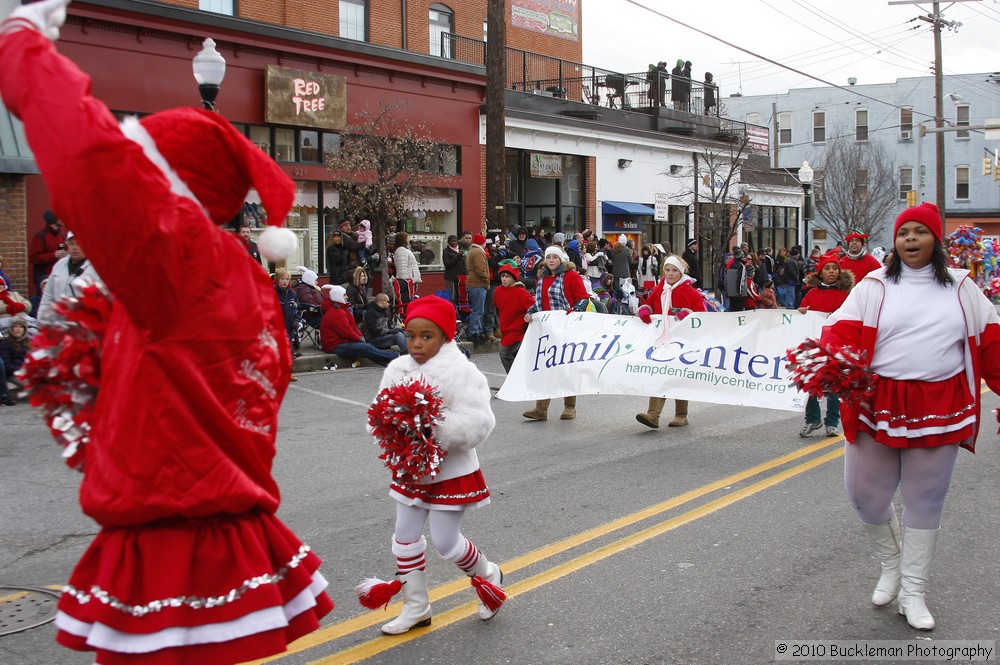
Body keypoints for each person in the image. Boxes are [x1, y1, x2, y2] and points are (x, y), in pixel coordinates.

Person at [0, 2, 334, 661]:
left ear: (163, 187)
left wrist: (22, 47)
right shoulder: (228, 273)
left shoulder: (176, 263)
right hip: (205, 518)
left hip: (175, 534)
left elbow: (88, 155)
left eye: (143, 166)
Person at [818, 202, 1000, 630]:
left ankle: (913, 591)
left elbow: (992, 344)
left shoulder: (961, 288)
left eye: (921, 232)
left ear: (935, 240)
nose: (911, 239)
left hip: (939, 404)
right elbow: (838, 332)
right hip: (875, 402)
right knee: (866, 496)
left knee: (924, 501)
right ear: (896, 241)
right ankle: (892, 566)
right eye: (904, 233)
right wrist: (825, 365)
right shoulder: (873, 285)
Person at [357, 296, 506, 634]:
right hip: (410, 469)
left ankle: (487, 574)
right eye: (410, 335)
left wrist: (432, 427)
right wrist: (390, 424)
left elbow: (480, 422)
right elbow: (377, 414)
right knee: (404, 538)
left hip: (451, 471)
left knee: (446, 544)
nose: (417, 343)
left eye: (427, 336)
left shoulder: (463, 373)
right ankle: (416, 607)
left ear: (446, 336)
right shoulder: (398, 368)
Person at [635, 255, 706, 428]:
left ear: (680, 273)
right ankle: (653, 415)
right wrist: (645, 310)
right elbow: (649, 304)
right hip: (661, 339)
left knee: (678, 375)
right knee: (660, 373)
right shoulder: (659, 289)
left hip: (682, 340)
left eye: (674, 271)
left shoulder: (689, 292)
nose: (670, 274)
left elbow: (701, 313)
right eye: (667, 270)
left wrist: (687, 314)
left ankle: (681, 414)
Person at [522, 246, 589, 421]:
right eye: (549, 257)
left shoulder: (571, 276)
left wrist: (576, 310)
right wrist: (530, 313)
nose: (551, 260)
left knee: (566, 368)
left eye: (555, 257)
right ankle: (541, 409)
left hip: (567, 328)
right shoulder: (542, 279)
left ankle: (570, 407)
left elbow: (583, 298)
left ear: (561, 259)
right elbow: (539, 303)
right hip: (548, 329)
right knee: (545, 368)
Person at [796, 252, 854, 438]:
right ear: (820, 273)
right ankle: (812, 419)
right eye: (827, 268)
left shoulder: (846, 295)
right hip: (815, 345)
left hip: (836, 345)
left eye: (834, 268)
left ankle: (832, 421)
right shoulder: (811, 293)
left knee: (835, 385)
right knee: (812, 383)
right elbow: (804, 312)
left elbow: (852, 315)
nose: (831, 272)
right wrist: (802, 311)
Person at [320, 285, 398, 367]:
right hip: (334, 345)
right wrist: (359, 339)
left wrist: (360, 337)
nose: (347, 297)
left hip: (341, 342)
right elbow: (347, 332)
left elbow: (353, 327)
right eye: (344, 295)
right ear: (338, 297)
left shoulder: (343, 310)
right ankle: (394, 357)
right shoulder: (336, 313)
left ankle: (388, 363)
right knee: (366, 348)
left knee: (367, 348)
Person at [35, 231, 99, 324]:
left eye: (79, 244)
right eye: (72, 244)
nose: (75, 248)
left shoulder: (95, 268)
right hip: (59, 324)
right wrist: (42, 320)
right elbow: (48, 297)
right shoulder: (60, 265)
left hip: (84, 325)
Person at [492, 264, 535, 373]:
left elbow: (533, 306)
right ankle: (522, 379)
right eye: (502, 276)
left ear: (513, 278)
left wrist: (529, 315)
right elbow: (498, 307)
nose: (504, 279)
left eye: (507, 276)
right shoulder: (498, 291)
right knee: (516, 357)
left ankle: (513, 379)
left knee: (505, 353)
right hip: (505, 329)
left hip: (517, 330)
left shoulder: (521, 293)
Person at [29, 208, 66, 292]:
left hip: (60, 277)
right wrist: (54, 255)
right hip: (45, 279)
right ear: (54, 219)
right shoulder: (41, 236)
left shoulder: (60, 236)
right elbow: (34, 258)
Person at [465, 233, 490, 343]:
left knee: (478, 310)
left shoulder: (472, 251)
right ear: (482, 243)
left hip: (474, 284)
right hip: (478, 284)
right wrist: (486, 279)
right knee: (478, 310)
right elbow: (480, 269)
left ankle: (477, 331)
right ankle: (474, 332)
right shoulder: (479, 252)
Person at [0, 316, 30, 406]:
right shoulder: (5, 343)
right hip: (13, 373)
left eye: (21, 327)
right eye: (15, 327)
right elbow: (6, 365)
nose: (18, 329)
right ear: (11, 329)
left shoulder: (28, 342)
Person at [392, 231, 422, 297]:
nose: (409, 239)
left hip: (410, 280)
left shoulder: (405, 250)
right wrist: (405, 282)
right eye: (407, 237)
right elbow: (402, 268)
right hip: (407, 281)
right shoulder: (401, 250)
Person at [442, 234, 467, 303]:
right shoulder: (446, 251)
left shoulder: (460, 249)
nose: (454, 243)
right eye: (452, 241)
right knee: (452, 296)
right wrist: (457, 257)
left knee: (460, 295)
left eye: (456, 241)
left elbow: (464, 263)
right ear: (449, 242)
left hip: (461, 277)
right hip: (451, 278)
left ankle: (459, 309)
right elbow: (447, 264)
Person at [724, 248, 748, 312]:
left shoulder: (729, 265)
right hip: (739, 293)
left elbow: (726, 280)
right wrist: (739, 292)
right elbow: (741, 279)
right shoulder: (741, 266)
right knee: (739, 312)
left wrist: (727, 291)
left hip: (730, 293)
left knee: (733, 311)